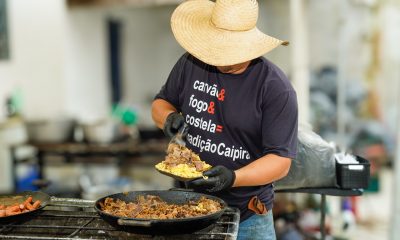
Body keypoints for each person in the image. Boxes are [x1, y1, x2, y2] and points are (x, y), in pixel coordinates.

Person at [151, 0, 298, 239]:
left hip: (248, 217)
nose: (219, 58)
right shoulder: (191, 62)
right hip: (190, 209)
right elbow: (160, 103)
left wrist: (233, 178)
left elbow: (280, 161)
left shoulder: (275, 89)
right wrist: (168, 118)